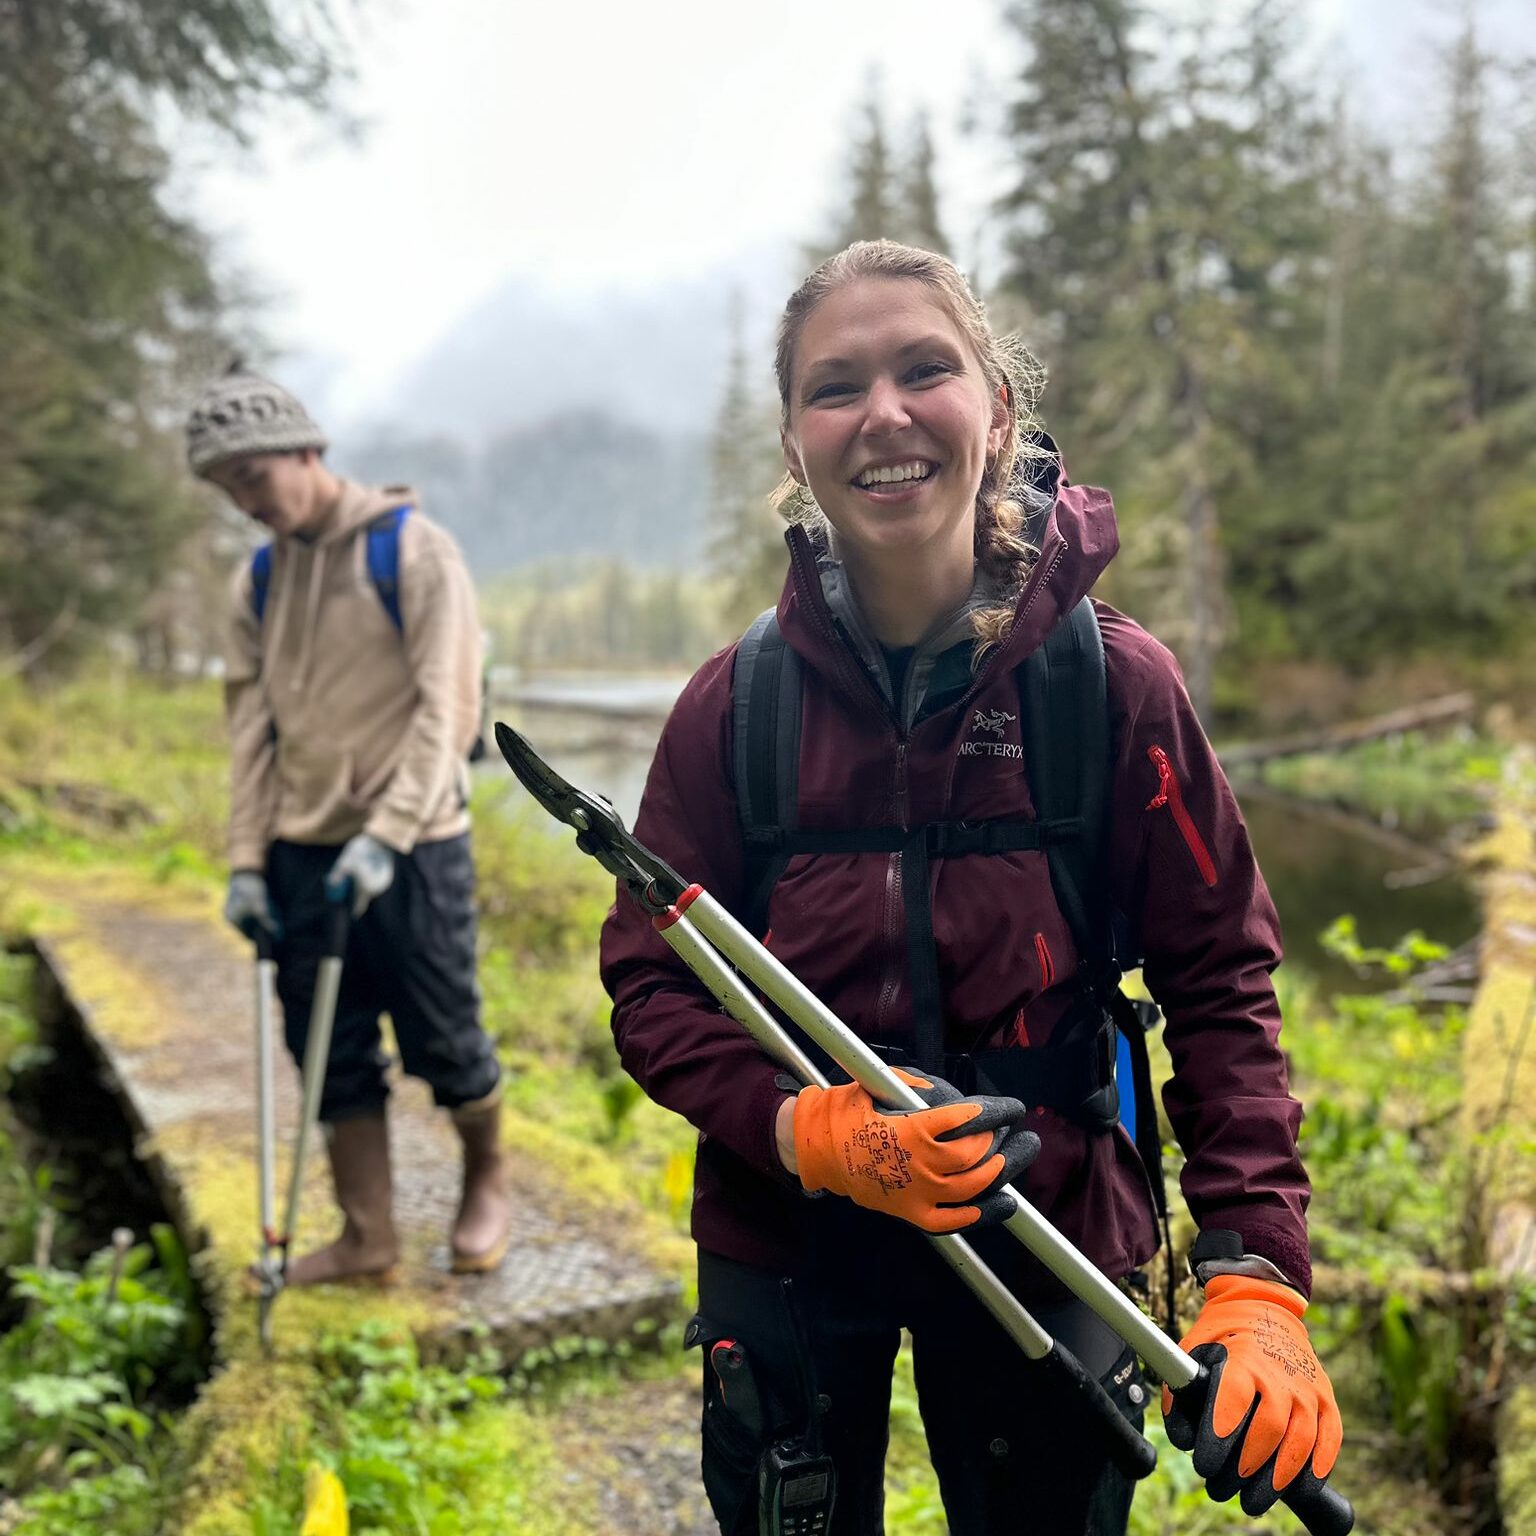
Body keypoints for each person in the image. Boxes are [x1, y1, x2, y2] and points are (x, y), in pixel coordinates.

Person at [599, 242, 1342, 1534]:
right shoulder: (736, 705)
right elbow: (655, 990)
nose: (882, 414)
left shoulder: (1114, 689)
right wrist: (806, 1133)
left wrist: (1255, 1278)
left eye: (923, 369)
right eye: (836, 387)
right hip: (788, 1233)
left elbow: (1220, 980)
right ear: (793, 440)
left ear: (998, 407)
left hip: (1047, 1220)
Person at [187, 363, 512, 1284]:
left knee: (446, 1040)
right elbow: (251, 730)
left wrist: (387, 831)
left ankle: (487, 1177)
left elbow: (446, 710)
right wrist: (248, 860)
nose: (244, 503)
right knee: (326, 1050)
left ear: (305, 449)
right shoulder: (257, 579)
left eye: (251, 478)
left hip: (412, 851)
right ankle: (368, 1236)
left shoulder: (411, 551)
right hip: (301, 853)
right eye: (226, 489)